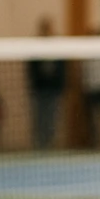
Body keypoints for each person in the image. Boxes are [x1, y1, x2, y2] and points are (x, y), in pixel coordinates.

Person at [27, 16, 66, 150]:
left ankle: (51, 143)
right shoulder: (36, 45)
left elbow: (62, 67)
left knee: (52, 117)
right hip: (40, 88)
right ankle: (39, 144)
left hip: (53, 88)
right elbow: (31, 68)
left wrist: (61, 85)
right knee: (40, 117)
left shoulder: (58, 44)